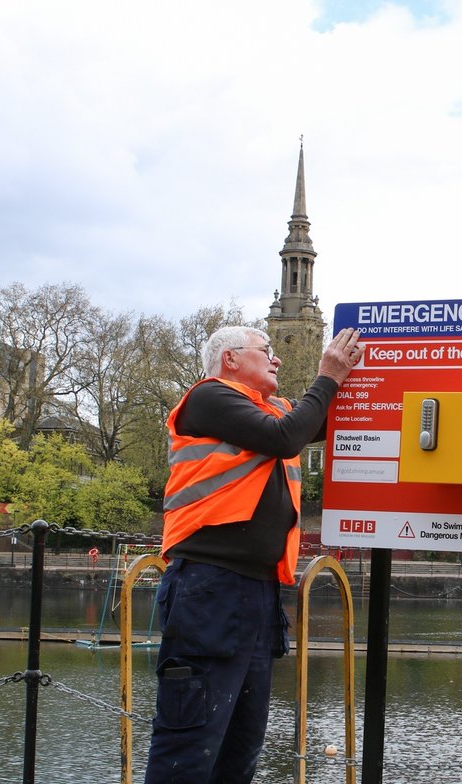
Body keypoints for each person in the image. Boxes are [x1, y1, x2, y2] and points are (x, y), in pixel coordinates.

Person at [144, 325, 362, 784]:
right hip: (209, 587)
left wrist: (359, 378)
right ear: (230, 359)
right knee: (190, 741)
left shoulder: (272, 410)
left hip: (257, 591)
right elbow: (287, 436)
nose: (276, 359)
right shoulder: (210, 398)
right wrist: (326, 375)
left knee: (241, 745)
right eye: (266, 351)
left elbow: (312, 420)